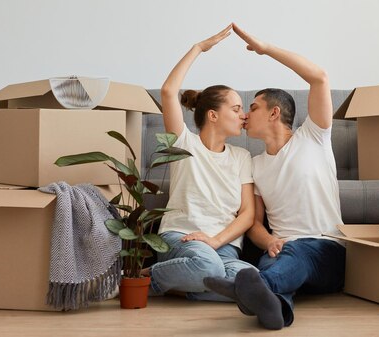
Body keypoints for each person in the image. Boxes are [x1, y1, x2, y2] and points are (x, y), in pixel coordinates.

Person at [204, 23, 345, 329]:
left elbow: (319, 77)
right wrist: (268, 241)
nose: (244, 116)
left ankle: (245, 287)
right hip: (280, 252)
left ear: (274, 113)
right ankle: (276, 309)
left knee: (292, 257)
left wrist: (265, 48)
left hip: (326, 250)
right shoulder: (255, 164)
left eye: (252, 107)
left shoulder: (314, 137)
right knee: (275, 267)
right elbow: (254, 221)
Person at [142, 24, 257, 301]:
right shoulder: (185, 143)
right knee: (208, 267)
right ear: (213, 115)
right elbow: (169, 91)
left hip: (225, 247)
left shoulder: (241, 157)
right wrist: (198, 48)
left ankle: (182, 287)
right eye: (236, 108)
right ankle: (143, 278)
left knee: (254, 281)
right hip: (182, 238)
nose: (243, 115)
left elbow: (247, 214)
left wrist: (217, 241)